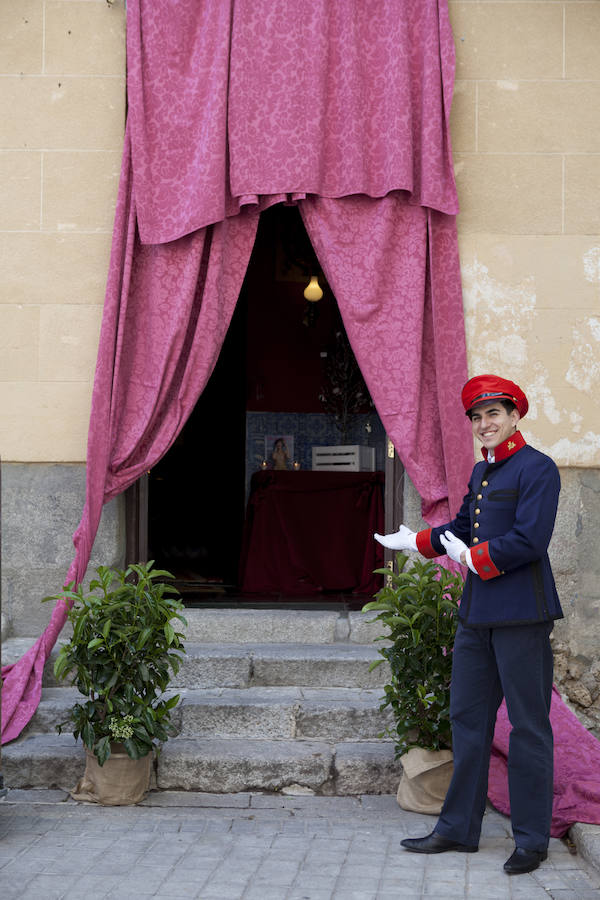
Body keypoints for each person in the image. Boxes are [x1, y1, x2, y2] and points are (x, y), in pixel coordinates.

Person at [375, 374, 563, 876]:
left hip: (522, 614)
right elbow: (461, 529)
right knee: (467, 720)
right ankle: (458, 828)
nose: (484, 424)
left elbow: (530, 540)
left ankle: (531, 840)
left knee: (528, 727)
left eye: (493, 414)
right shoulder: (482, 471)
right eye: (477, 417)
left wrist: (472, 558)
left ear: (515, 416)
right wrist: (416, 541)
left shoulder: (538, 469)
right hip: (477, 614)